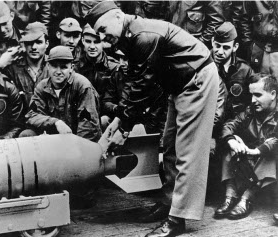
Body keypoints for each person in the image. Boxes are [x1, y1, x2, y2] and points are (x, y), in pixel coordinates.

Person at [85, 1, 219, 236]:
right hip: (177, 83)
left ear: (117, 16)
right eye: (97, 33)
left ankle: (178, 219)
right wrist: (120, 120)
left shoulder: (143, 35)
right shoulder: (128, 35)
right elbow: (134, 81)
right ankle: (169, 204)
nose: (102, 38)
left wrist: (123, 126)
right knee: (169, 147)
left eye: (103, 30)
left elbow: (141, 86)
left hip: (196, 80)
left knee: (187, 152)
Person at [215, 73, 278, 220]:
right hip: (250, 164)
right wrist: (232, 140)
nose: (252, 100)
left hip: (269, 165)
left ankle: (246, 199)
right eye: (251, 95)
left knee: (269, 153)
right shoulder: (250, 111)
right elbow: (229, 125)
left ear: (273, 94)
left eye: (258, 95)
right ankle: (230, 196)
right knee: (232, 140)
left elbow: (275, 140)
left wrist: (256, 151)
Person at [25, 45, 101, 142]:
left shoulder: (82, 86)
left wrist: (74, 147)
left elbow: (88, 127)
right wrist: (56, 122)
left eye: (63, 67)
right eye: (54, 66)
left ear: (71, 68)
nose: (58, 72)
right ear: (48, 66)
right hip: (53, 139)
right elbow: (31, 115)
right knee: (27, 134)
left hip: (78, 140)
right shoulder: (42, 87)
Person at [2, 22, 50, 114]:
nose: (34, 47)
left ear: (47, 44)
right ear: (24, 44)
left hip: (49, 122)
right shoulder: (12, 69)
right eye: (29, 43)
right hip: (21, 123)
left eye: (39, 42)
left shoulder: (54, 66)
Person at [212, 21, 254, 120]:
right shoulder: (204, 66)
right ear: (212, 41)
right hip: (210, 121)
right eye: (217, 46)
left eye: (226, 47)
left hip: (235, 122)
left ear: (235, 47)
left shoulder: (244, 70)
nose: (220, 52)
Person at [239, 1, 278, 78]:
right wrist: (248, 45)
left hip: (276, 46)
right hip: (259, 47)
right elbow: (244, 20)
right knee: (259, 82)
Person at [0, 1, 23, 67]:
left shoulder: (26, 38)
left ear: (12, 16)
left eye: (4, 23)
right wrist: (0, 64)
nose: (2, 30)